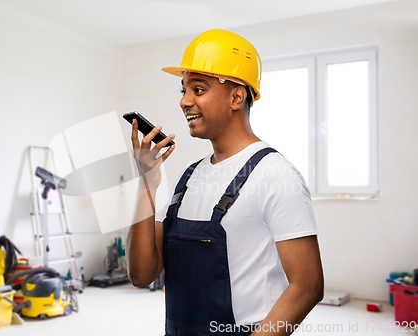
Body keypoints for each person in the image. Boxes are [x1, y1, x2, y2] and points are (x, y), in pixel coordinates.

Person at [126, 29, 323, 336]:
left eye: (199, 89)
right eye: (183, 90)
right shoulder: (189, 178)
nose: (184, 102)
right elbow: (141, 274)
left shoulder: (275, 175)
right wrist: (146, 185)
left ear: (236, 96)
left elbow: (308, 287)